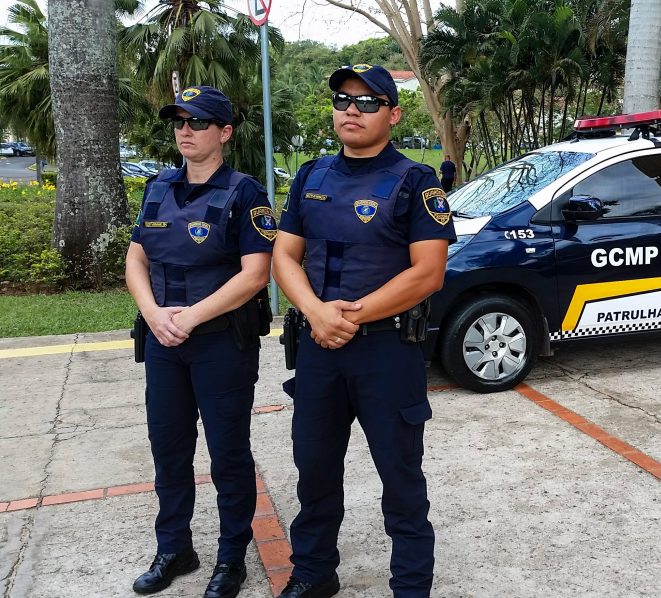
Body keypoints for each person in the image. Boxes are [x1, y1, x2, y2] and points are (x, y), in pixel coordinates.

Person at [272, 64, 456, 598]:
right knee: (314, 470)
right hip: (318, 349)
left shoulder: (417, 180)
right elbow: (284, 254)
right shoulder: (310, 176)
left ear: (393, 115)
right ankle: (312, 572)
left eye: (369, 101)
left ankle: (411, 586)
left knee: (401, 479)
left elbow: (428, 272)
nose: (352, 110)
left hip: (386, 351)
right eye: (343, 100)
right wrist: (315, 311)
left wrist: (348, 316)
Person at [125, 86, 275, 598]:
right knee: (168, 449)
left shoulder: (246, 193)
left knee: (228, 454)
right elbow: (137, 257)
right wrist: (152, 313)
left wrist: (189, 318)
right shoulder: (157, 187)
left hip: (219, 343)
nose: (185, 131)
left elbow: (256, 274)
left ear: (225, 132)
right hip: (164, 342)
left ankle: (231, 557)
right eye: (179, 122)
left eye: (198, 122)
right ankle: (175, 549)